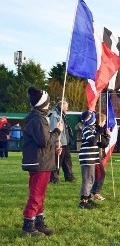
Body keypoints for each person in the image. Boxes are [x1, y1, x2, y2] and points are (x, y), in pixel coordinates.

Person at [21, 87, 63, 236]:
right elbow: (44, 141)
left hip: (38, 161)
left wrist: (54, 150)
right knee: (37, 194)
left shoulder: (35, 117)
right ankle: (28, 225)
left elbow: (41, 142)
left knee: (39, 194)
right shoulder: (39, 119)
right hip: (40, 163)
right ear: (44, 103)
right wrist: (57, 131)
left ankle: (38, 222)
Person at [78, 110, 101, 209]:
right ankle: (84, 201)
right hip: (87, 157)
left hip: (91, 157)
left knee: (91, 179)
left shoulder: (92, 128)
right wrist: (98, 133)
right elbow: (92, 141)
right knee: (87, 179)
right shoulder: (87, 128)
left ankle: (88, 198)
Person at [49, 101, 75, 183]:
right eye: (66, 106)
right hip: (59, 141)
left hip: (65, 142)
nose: (67, 108)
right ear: (61, 106)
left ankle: (69, 176)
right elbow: (54, 128)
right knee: (57, 161)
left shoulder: (62, 115)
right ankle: (54, 178)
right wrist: (57, 141)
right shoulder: (54, 115)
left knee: (67, 160)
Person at [91, 113, 111, 201]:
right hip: (94, 155)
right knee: (101, 174)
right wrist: (108, 136)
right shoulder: (98, 130)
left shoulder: (96, 129)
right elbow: (104, 144)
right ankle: (95, 192)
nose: (105, 122)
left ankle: (92, 192)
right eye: (104, 121)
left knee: (95, 175)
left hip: (95, 154)